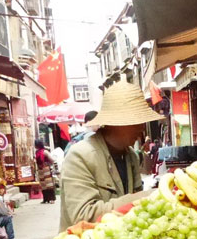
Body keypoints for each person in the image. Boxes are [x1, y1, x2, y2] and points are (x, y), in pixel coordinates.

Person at [59, 81, 163, 231]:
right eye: (136, 123)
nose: (141, 129)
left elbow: (137, 210)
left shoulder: (131, 156)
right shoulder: (80, 156)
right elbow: (85, 216)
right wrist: (146, 197)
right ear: (117, 123)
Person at [34, 139, 57, 204]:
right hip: (40, 170)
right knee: (43, 185)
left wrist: (48, 164)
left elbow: (52, 160)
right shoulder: (37, 152)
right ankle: (45, 199)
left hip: (46, 169)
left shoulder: (45, 152)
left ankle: (52, 199)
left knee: (49, 184)